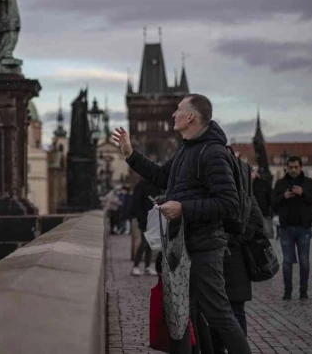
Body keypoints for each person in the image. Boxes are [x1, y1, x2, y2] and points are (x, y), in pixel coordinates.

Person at [112, 93, 251, 354]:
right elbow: (161, 176)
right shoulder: (187, 149)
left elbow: (228, 202)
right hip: (182, 246)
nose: (172, 114)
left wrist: (182, 208)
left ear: (190, 117)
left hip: (204, 247)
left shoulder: (212, 153)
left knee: (218, 314)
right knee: (179, 315)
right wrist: (131, 154)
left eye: (178, 110)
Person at [209, 147, 266, 353]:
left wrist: (230, 238)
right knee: (213, 312)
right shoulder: (211, 186)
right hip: (213, 257)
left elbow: (257, 225)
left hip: (235, 257)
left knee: (235, 310)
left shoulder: (243, 191)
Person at [271, 155, 312, 301]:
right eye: (291, 167)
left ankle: (303, 291)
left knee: (304, 260)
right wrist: (284, 196)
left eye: (296, 167)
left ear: (301, 167)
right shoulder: (280, 183)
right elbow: (273, 203)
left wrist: (302, 193)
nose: (293, 170)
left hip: (304, 228)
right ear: (287, 168)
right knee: (287, 261)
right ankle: (287, 292)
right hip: (286, 228)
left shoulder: (309, 182)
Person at [130, 178, 159, 276]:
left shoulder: (156, 184)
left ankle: (147, 267)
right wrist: (141, 218)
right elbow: (136, 203)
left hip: (154, 218)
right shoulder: (140, 185)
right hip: (144, 219)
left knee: (150, 243)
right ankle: (135, 266)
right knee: (144, 242)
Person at [250, 166, 274, 238]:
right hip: (249, 216)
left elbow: (271, 199)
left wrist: (271, 213)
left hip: (263, 215)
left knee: (267, 236)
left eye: (252, 171)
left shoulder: (264, 184)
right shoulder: (243, 184)